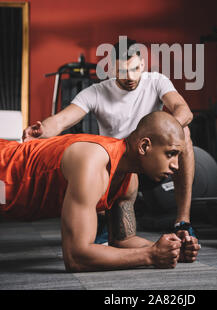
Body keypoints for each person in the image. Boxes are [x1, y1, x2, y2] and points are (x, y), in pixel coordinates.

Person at [23, 38, 195, 236]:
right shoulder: (96, 92)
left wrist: (165, 131)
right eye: (122, 71)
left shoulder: (156, 81)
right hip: (117, 167)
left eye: (135, 69)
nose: (130, 77)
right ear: (112, 68)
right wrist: (41, 130)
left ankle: (183, 221)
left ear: (143, 65)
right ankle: (104, 218)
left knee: (185, 132)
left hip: (151, 159)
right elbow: (61, 121)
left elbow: (183, 110)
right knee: (98, 158)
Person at [1, 111, 200, 272]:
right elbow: (76, 257)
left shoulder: (129, 179)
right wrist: (151, 255)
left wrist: (172, 249)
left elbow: (123, 240)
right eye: (171, 154)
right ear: (144, 146)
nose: (176, 166)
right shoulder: (92, 162)